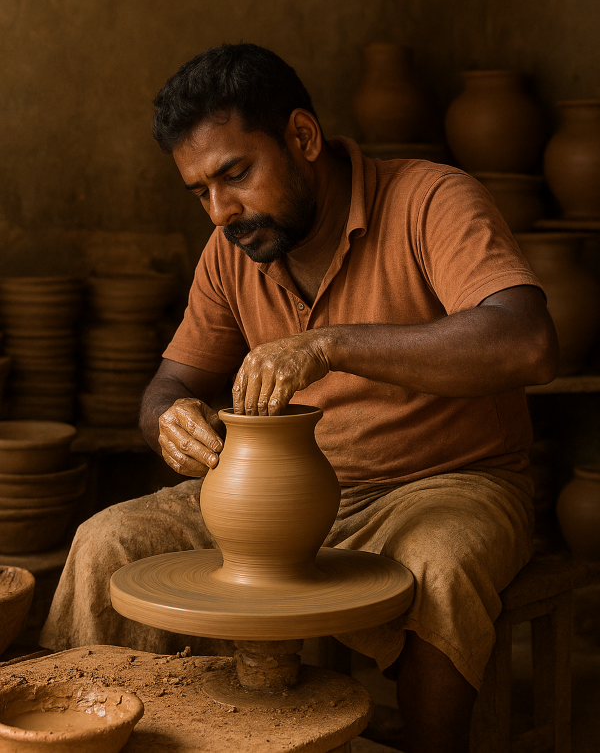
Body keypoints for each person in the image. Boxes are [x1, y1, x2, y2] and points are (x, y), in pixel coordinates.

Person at [41, 43, 558, 753]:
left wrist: (333, 343)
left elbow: (527, 341)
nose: (221, 210)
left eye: (236, 174)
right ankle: (83, 737)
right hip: (287, 499)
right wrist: (168, 419)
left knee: (441, 562)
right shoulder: (233, 250)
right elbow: (170, 384)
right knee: (107, 541)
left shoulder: (432, 200)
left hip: (447, 482)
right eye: (200, 192)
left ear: (303, 138)